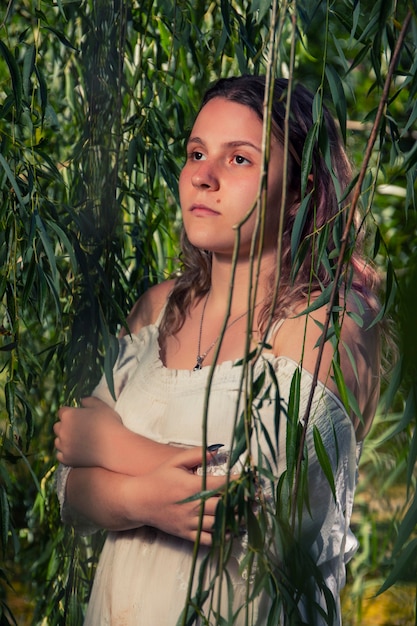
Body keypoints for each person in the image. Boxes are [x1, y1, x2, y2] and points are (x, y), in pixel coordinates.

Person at [54, 75, 381, 625]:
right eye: (197, 152)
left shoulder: (322, 328)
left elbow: (260, 513)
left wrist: (109, 443)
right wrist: (146, 499)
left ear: (301, 192)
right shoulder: (157, 310)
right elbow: (69, 487)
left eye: (239, 160)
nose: (202, 177)